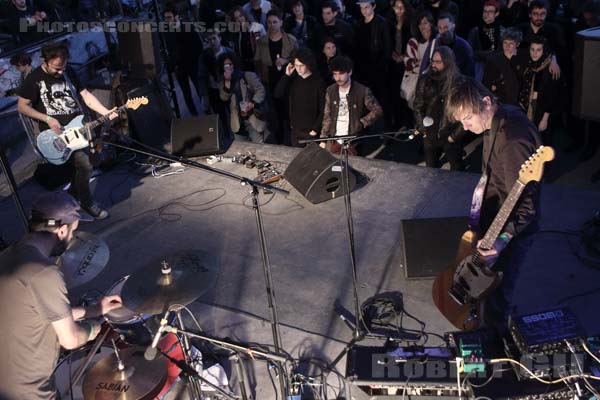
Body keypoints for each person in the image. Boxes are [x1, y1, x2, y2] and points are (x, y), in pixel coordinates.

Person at [0, 191, 123, 400]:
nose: (73, 238)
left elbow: (40, 313)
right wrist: (94, 328)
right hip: (28, 392)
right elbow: (71, 339)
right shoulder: (44, 272)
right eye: (74, 232)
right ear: (63, 230)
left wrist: (95, 310)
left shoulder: (8, 255)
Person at [446, 77, 542, 325]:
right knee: (484, 291)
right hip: (495, 214)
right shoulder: (494, 122)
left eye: (467, 119)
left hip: (513, 230)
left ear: (486, 102)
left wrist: (501, 241)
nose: (465, 127)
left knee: (498, 294)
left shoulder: (513, 140)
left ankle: (496, 346)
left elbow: (526, 206)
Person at [17, 42, 117, 219]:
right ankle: (87, 203)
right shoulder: (34, 79)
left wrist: (106, 112)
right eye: (56, 68)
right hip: (55, 135)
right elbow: (22, 107)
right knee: (84, 165)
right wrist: (47, 118)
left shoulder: (68, 72)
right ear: (45, 61)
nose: (61, 72)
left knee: (88, 165)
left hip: (78, 128)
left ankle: (70, 198)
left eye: (63, 67)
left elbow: (85, 95)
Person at [413, 46, 465, 170]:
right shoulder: (424, 80)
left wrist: (454, 136)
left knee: (457, 169)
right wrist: (423, 129)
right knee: (431, 168)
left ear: (447, 62)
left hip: (450, 134)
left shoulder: (459, 82)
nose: (433, 65)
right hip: (430, 134)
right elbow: (418, 106)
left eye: (438, 62)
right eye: (432, 61)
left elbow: (465, 112)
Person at [320, 56, 383, 155]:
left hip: (353, 141)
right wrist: (323, 138)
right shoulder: (330, 91)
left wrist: (362, 122)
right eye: (335, 74)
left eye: (341, 74)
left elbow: (377, 110)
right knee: (335, 168)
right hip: (335, 139)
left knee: (353, 168)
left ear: (349, 72)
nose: (338, 78)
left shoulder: (362, 91)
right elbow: (327, 115)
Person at [274, 47, 325, 147]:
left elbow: (324, 109)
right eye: (296, 65)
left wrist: (315, 130)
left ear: (308, 64)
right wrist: (286, 76)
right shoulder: (293, 80)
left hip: (311, 132)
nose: (298, 68)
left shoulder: (318, 83)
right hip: (295, 131)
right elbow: (277, 94)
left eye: (301, 65)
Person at [515, 35, 560, 145]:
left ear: (543, 51)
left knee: (542, 142)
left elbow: (552, 97)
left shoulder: (550, 69)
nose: (535, 53)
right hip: (525, 106)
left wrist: (545, 119)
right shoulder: (528, 63)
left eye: (538, 50)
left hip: (541, 110)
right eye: (532, 49)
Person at [219, 52, 270, 143]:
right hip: (237, 124)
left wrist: (253, 103)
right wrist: (227, 82)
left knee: (261, 148)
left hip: (253, 120)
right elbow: (223, 97)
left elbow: (261, 90)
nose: (228, 67)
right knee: (242, 152)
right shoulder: (223, 82)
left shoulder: (247, 75)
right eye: (225, 66)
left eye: (230, 64)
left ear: (234, 63)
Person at [163, 7, 204, 116]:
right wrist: (172, 66)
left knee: (200, 89)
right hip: (180, 67)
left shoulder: (188, 27)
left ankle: (207, 112)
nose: (167, 20)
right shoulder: (166, 32)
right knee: (186, 94)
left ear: (176, 17)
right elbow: (169, 50)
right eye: (165, 18)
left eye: (169, 17)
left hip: (192, 64)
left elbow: (198, 46)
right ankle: (195, 116)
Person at [482, 27, 522, 106]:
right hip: (499, 102)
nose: (507, 46)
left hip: (518, 103)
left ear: (517, 44)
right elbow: (486, 84)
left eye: (511, 43)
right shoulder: (493, 61)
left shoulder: (522, 59)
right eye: (505, 43)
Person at [467, 0, 504, 81]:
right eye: (485, 11)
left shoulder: (502, 32)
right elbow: (469, 52)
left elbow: (503, 52)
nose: (486, 14)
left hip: (496, 65)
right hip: (479, 66)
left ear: (496, 14)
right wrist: (488, 54)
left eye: (490, 11)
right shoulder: (475, 31)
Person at [437, 13, 475, 77]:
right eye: (440, 28)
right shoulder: (435, 44)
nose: (443, 31)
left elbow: (469, 75)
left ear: (453, 26)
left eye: (446, 27)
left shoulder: (464, 47)